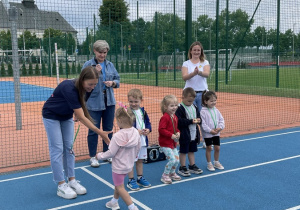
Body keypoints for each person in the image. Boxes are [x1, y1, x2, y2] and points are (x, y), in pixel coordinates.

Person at [42, 66, 111, 199]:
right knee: (57, 148)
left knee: (69, 148)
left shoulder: (88, 88)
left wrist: (77, 112)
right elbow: (81, 116)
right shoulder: (68, 87)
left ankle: (71, 180)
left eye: (95, 84)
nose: (92, 87)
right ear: (82, 80)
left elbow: (81, 107)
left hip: (66, 116)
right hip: (51, 115)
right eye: (90, 84)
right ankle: (61, 185)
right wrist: (100, 132)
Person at [82, 40, 120, 167]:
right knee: (93, 130)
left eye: (104, 52)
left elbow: (117, 79)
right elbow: (83, 82)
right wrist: (96, 74)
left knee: (108, 129)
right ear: (94, 51)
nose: (102, 55)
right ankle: (93, 156)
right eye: (100, 52)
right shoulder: (88, 65)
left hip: (109, 101)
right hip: (93, 102)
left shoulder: (110, 65)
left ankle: (107, 153)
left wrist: (113, 83)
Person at [97, 106, 140, 210]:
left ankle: (132, 207)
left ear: (120, 120)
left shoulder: (117, 136)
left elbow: (111, 153)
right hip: (129, 165)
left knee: (120, 187)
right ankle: (114, 202)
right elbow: (138, 147)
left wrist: (100, 156)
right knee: (119, 184)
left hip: (118, 167)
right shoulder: (135, 132)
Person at [181, 41, 210, 148]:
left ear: (201, 51)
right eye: (195, 50)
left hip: (202, 94)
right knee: (189, 117)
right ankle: (190, 139)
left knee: (203, 118)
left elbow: (207, 74)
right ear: (191, 51)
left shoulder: (205, 62)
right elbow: (184, 77)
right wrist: (193, 73)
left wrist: (199, 72)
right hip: (189, 95)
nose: (196, 52)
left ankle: (206, 140)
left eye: (198, 50)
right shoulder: (186, 63)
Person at [126, 89, 152, 191]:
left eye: (136, 101)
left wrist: (148, 129)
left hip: (142, 141)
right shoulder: (127, 112)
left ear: (141, 100)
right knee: (131, 161)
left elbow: (148, 122)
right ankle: (131, 180)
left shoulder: (143, 111)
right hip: (132, 142)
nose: (133, 104)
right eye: (131, 101)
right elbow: (124, 127)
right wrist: (136, 131)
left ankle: (140, 178)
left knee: (140, 160)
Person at [175, 87, 203, 177]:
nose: (190, 103)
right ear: (183, 97)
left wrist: (199, 120)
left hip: (194, 133)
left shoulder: (194, 106)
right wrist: (191, 121)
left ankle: (192, 165)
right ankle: (182, 167)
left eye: (192, 101)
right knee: (183, 151)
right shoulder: (179, 108)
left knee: (192, 150)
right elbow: (179, 121)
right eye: (189, 101)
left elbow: (198, 116)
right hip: (184, 134)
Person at [158, 95, 181, 184]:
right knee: (172, 160)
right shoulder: (165, 117)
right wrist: (171, 135)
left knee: (177, 160)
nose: (174, 107)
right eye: (171, 106)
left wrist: (178, 132)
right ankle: (165, 175)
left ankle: (172, 173)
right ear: (165, 107)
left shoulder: (175, 117)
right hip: (165, 143)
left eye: (175, 105)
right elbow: (161, 129)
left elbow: (176, 128)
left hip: (172, 143)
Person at [200, 90, 225, 172]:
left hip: (216, 133)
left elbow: (221, 120)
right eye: (211, 101)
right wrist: (210, 131)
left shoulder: (216, 110)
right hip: (208, 134)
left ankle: (216, 162)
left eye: (215, 100)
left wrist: (220, 128)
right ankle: (209, 163)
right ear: (205, 101)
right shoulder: (202, 112)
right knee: (209, 148)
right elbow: (203, 124)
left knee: (217, 148)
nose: (213, 102)